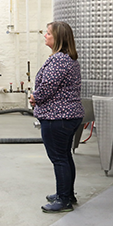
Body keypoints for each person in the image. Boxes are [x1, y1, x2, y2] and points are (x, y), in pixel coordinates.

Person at [29, 21, 84, 213]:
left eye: (48, 33)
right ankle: (67, 193)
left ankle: (64, 200)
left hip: (58, 118)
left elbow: (47, 88)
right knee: (65, 156)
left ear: (58, 38)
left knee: (59, 158)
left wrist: (35, 97)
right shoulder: (66, 58)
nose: (45, 35)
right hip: (66, 116)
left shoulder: (59, 60)